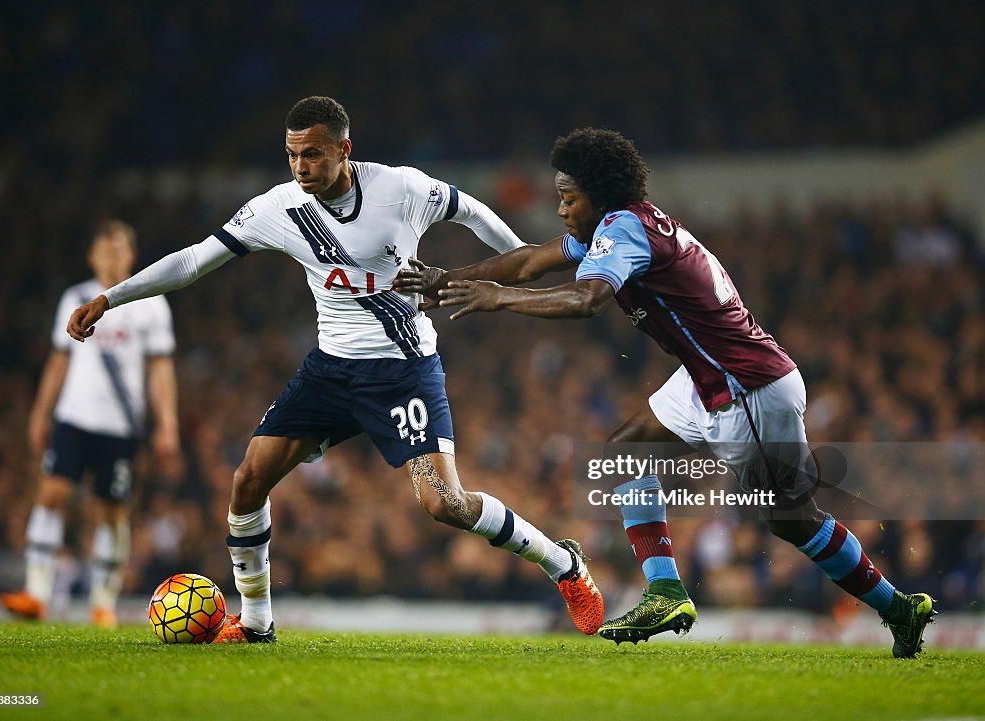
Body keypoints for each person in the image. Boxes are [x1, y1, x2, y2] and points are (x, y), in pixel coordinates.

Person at [65, 97, 604, 643]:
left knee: (446, 504)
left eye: (314, 155)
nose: (301, 167)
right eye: (293, 155)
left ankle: (563, 564)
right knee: (248, 482)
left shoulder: (401, 189)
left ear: (345, 150)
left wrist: (519, 260)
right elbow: (194, 260)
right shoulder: (277, 208)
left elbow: (471, 211)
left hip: (402, 369)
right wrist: (112, 298)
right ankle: (256, 625)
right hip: (329, 372)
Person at [393, 128, 936, 658]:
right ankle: (667, 593)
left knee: (791, 518)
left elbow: (587, 300)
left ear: (597, 197)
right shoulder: (620, 225)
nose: (561, 210)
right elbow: (532, 259)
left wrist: (498, 300)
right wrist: (449, 278)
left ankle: (895, 608)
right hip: (710, 376)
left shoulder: (624, 230)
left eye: (568, 198)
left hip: (744, 386)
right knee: (625, 449)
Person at [3, 220, 180, 627]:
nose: (112, 255)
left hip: (120, 426)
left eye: (119, 249)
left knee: (112, 511)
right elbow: (58, 360)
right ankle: (36, 593)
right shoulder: (76, 297)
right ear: (92, 256)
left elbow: (161, 370)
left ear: (132, 256)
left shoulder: (150, 302)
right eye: (105, 249)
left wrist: (166, 423)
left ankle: (104, 603)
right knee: (51, 494)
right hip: (73, 417)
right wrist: (39, 414)